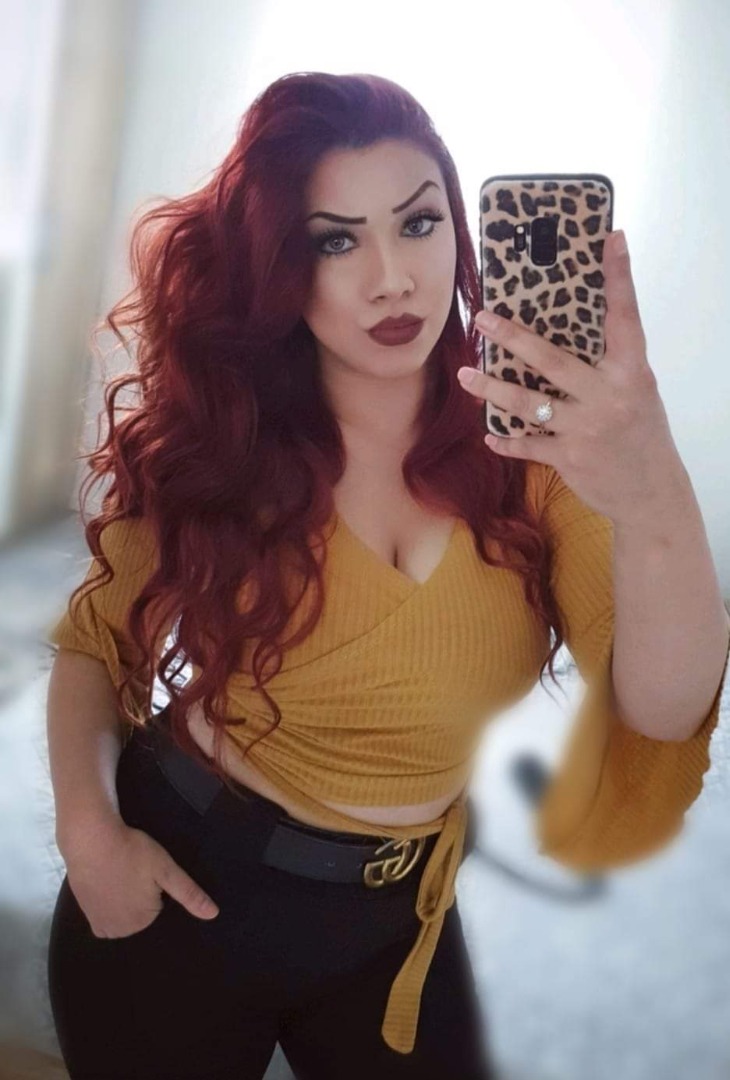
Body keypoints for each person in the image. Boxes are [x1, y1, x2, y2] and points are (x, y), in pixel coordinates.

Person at [44, 71, 729, 1080]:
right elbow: (96, 644)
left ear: (460, 230)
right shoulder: (231, 439)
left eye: (417, 224)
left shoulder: (532, 458)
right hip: (186, 880)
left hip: (395, 917)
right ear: (282, 265)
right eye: (335, 241)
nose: (392, 279)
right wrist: (89, 835)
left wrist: (653, 489)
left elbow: (661, 709)